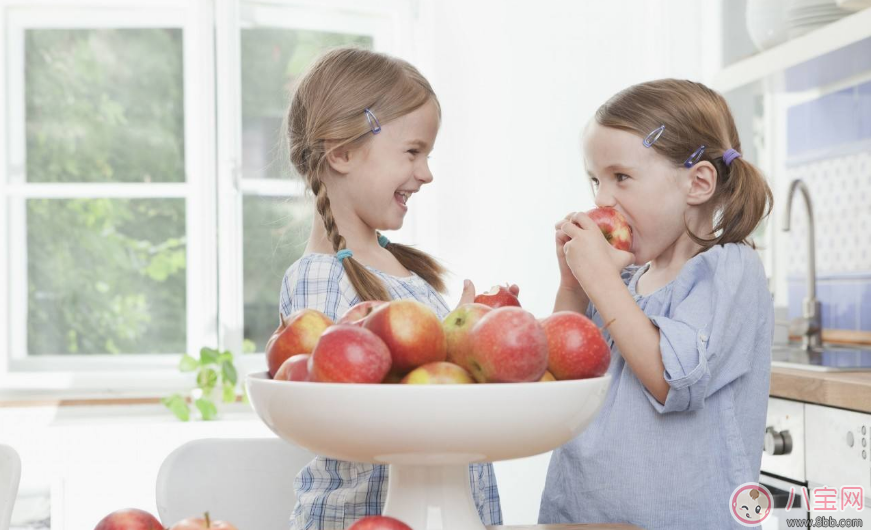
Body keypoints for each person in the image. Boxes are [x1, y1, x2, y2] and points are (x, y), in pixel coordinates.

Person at [275, 47, 503, 530]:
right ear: (342, 152)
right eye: (412, 152)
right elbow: (343, 411)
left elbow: (420, 377)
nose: (426, 173)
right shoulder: (319, 277)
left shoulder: (401, 268)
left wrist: (464, 339)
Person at [539, 79, 775, 529]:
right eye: (595, 180)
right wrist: (573, 285)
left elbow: (672, 380)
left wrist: (601, 281)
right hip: (581, 515)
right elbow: (559, 369)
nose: (601, 200)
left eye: (621, 177)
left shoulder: (728, 270)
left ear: (698, 182)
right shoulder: (623, 282)